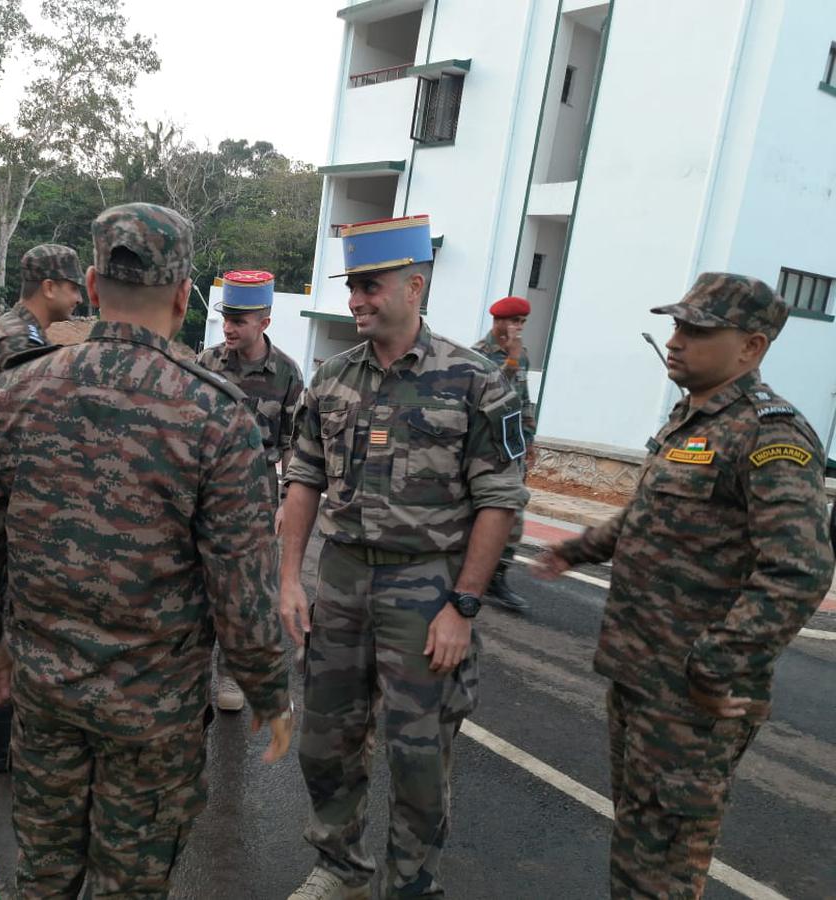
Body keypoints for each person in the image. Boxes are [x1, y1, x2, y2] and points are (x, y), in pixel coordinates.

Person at [0, 202, 293, 898]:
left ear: (91, 280)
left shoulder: (20, 386)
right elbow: (242, 583)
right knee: (130, 884)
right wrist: (266, 689)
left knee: (45, 872)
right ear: (182, 293)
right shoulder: (216, 413)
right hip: (154, 715)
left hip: (44, 689)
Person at [535, 273, 835, 898]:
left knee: (664, 859)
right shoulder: (693, 418)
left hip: (694, 693)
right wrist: (579, 548)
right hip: (643, 672)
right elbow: (652, 514)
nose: (675, 341)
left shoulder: (769, 435)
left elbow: (799, 568)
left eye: (696, 330)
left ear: (751, 347)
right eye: (676, 325)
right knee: (640, 831)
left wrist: (717, 662)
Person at [279, 215, 528, 899]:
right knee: (324, 742)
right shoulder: (331, 377)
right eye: (353, 285)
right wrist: (289, 580)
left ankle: (411, 882)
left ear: (414, 286)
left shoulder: (475, 380)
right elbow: (302, 478)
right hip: (342, 578)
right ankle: (340, 866)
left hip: (427, 585)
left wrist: (463, 606)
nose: (356, 298)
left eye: (370, 285)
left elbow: (499, 500)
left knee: (419, 754)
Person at [0, 243, 84, 773]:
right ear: (49, 286)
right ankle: (2, 748)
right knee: (6, 621)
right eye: (73, 287)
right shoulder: (18, 343)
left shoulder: (10, 330)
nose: (77, 297)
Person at [196, 269, 304, 712]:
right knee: (197, 582)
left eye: (240, 320)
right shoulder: (205, 364)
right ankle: (190, 670)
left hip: (256, 498)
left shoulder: (286, 373)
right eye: (226, 318)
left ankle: (230, 674)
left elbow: (297, 443)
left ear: (265, 322)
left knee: (246, 592)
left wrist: (286, 503)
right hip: (204, 493)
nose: (229, 328)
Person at [472, 295, 538, 613]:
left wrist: (530, 439)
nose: (519, 328)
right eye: (514, 322)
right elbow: (493, 396)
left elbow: (523, 399)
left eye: (522, 322)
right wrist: (510, 361)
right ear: (498, 322)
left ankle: (497, 576)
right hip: (486, 449)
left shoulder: (521, 356)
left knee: (513, 514)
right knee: (478, 513)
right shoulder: (477, 356)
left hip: (514, 449)